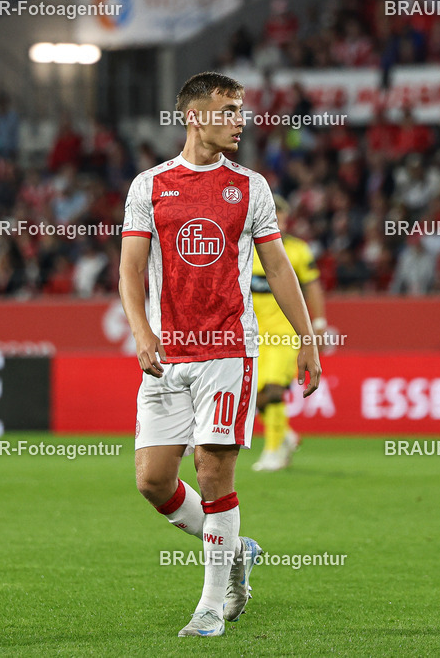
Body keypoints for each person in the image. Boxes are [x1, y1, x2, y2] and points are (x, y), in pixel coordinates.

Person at [118, 71, 321, 638]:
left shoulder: (250, 186)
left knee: (212, 467)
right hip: (167, 353)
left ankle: (211, 605)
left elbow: (278, 267)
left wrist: (308, 338)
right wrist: (141, 332)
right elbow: (131, 269)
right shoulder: (150, 186)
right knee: (153, 482)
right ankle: (237, 551)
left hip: (228, 348)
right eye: (228, 110)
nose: (239, 120)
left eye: (241, 110)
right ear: (193, 115)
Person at [250, 195, 326, 472]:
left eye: (281, 216)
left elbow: (313, 287)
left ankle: (273, 451)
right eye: (273, 215)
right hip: (254, 336)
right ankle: (286, 435)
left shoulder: (296, 251)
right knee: (253, 398)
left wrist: (317, 325)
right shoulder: (247, 249)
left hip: (285, 334)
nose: (277, 220)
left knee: (272, 389)